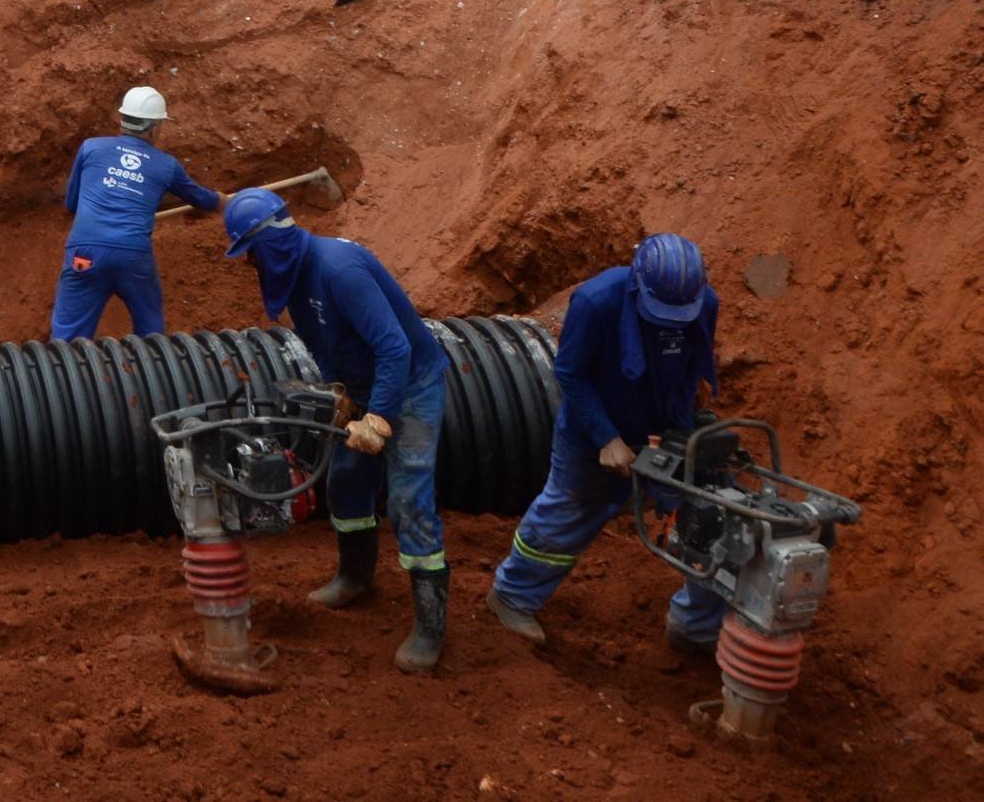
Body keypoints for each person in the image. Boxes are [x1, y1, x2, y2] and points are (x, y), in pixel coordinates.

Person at [223, 187, 455, 673]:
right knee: (345, 478)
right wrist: (340, 393)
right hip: (365, 383)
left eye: (251, 256)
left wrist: (380, 417)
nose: (250, 268)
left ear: (269, 245)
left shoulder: (338, 270)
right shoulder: (299, 280)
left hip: (410, 385)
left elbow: (395, 347)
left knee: (408, 495)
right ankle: (355, 576)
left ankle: (430, 626)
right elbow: (322, 344)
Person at [487, 235, 725, 651]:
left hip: (665, 426)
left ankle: (695, 628)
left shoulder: (704, 304)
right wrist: (607, 437)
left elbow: (690, 371)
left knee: (708, 520)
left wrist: (682, 433)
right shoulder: (597, 302)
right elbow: (571, 374)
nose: (672, 321)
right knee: (568, 511)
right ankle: (512, 597)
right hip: (595, 427)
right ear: (638, 284)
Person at [49, 85, 219, 340]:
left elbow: (72, 205)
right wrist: (223, 201)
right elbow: (202, 199)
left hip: (85, 253)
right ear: (154, 128)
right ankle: (154, 372)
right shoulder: (166, 165)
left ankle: (62, 377)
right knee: (150, 330)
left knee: (66, 339)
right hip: (132, 257)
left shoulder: (90, 148)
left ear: (123, 120)